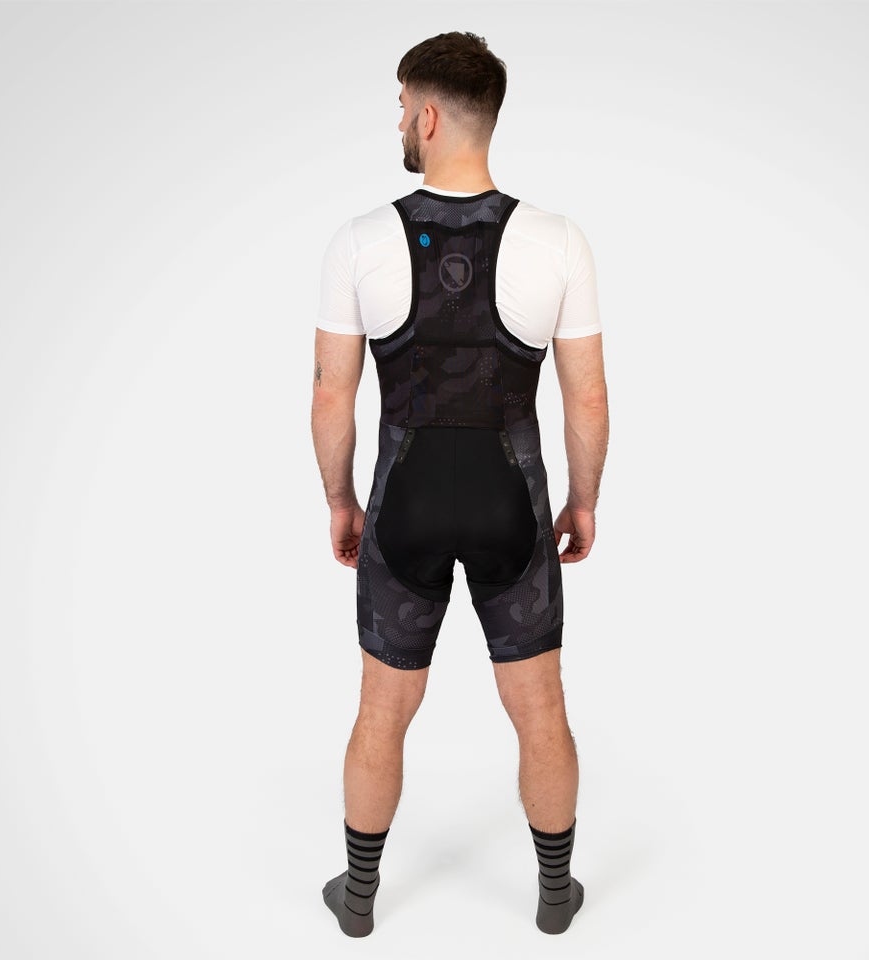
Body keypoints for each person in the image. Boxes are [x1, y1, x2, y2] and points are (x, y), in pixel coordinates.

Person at [311, 31, 609, 937]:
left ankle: (358, 898)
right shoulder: (559, 241)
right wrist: (583, 499)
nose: (399, 121)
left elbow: (330, 397)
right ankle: (555, 897)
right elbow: (587, 398)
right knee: (541, 708)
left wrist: (341, 501)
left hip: (404, 504)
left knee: (382, 709)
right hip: (509, 504)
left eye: (403, 106)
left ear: (430, 116)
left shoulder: (359, 241)